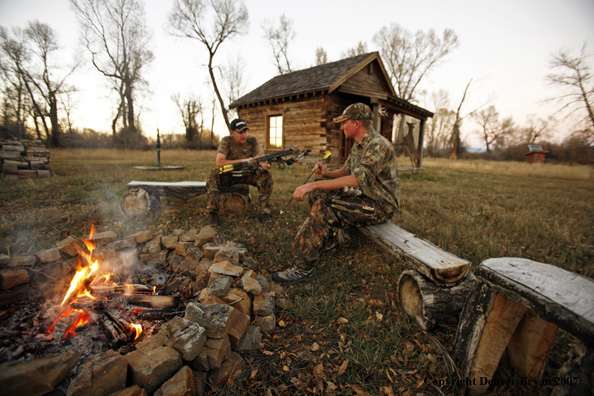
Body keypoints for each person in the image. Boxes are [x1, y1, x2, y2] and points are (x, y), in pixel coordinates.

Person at [271, 103, 400, 284]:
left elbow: (357, 179)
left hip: (380, 206)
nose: (341, 127)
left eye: (343, 123)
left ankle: (303, 269)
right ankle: (328, 240)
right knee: (319, 192)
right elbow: (347, 171)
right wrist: (326, 175)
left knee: (324, 206)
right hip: (364, 198)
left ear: (356, 123)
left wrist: (315, 186)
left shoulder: (378, 145)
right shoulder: (358, 146)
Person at [206, 118, 273, 227]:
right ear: (232, 132)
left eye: (245, 131)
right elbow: (219, 162)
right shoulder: (226, 141)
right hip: (229, 174)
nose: (244, 135)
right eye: (240, 132)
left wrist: (264, 165)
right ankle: (213, 213)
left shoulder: (252, 140)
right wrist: (242, 160)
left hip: (248, 174)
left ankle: (264, 212)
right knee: (214, 173)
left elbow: (258, 158)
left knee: (265, 175)